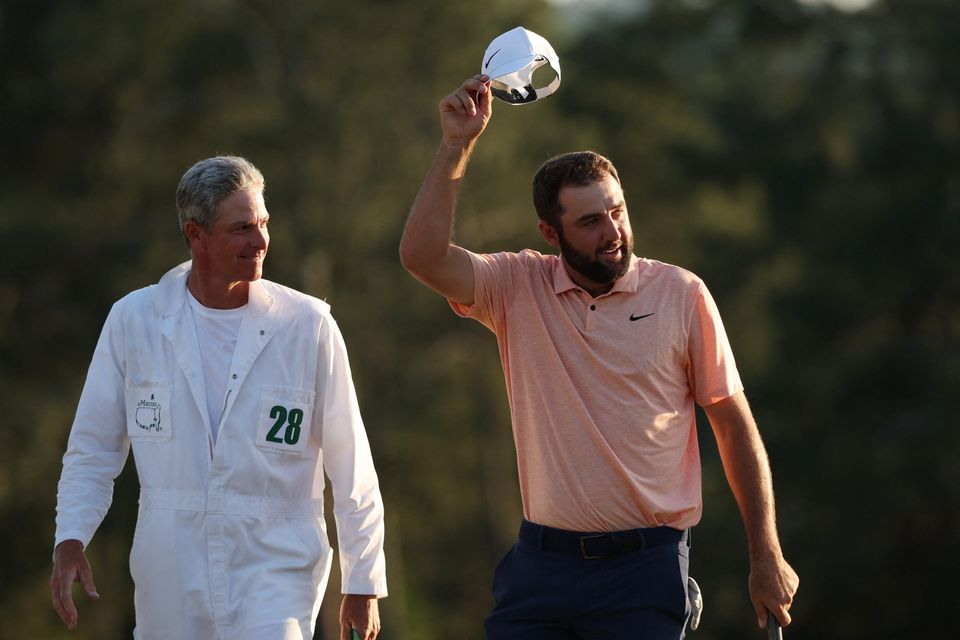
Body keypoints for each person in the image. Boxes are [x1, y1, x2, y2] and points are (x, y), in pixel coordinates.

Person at [399, 75, 799, 639]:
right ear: (550, 231)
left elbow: (734, 428)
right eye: (590, 221)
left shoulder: (682, 295)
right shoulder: (516, 286)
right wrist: (456, 145)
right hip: (541, 567)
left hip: (646, 568)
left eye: (617, 212)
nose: (613, 232)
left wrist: (766, 555)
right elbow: (420, 255)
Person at [51, 155, 387, 640]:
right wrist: (70, 538)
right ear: (196, 235)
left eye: (264, 223)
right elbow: (93, 449)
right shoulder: (135, 321)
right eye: (242, 228)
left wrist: (362, 582)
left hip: (278, 564)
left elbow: (351, 465)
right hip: (169, 570)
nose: (261, 241)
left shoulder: (308, 326)